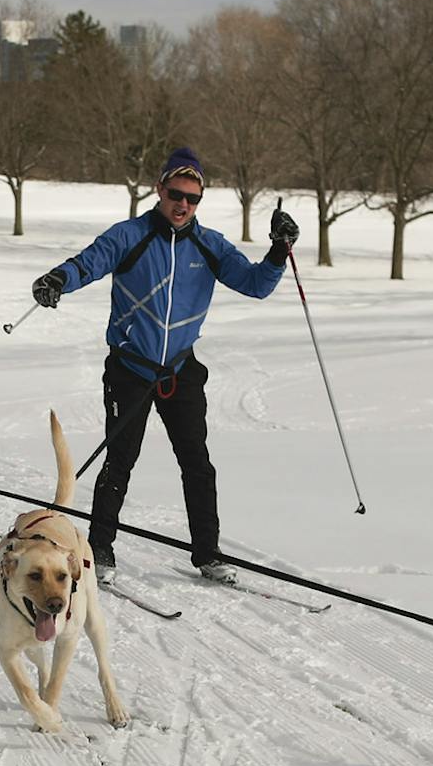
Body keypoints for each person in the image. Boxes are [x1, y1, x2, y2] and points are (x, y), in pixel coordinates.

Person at [31, 147, 299, 587]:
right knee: (121, 460)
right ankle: (100, 549)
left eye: (193, 199)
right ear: (159, 190)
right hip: (131, 367)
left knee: (197, 462)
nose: (183, 205)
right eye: (176, 194)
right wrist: (58, 279)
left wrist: (278, 251)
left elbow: (254, 285)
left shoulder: (209, 245)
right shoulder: (131, 235)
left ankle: (208, 554)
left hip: (180, 370)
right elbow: (90, 262)